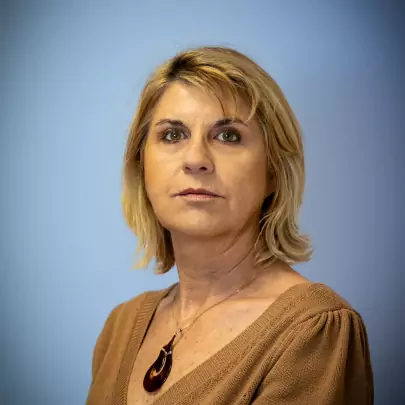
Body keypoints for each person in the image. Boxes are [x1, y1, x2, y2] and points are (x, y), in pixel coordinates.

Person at [86, 46, 374, 405]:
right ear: (140, 165)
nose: (195, 159)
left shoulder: (311, 330)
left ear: (273, 171)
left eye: (228, 136)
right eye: (173, 135)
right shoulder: (120, 327)